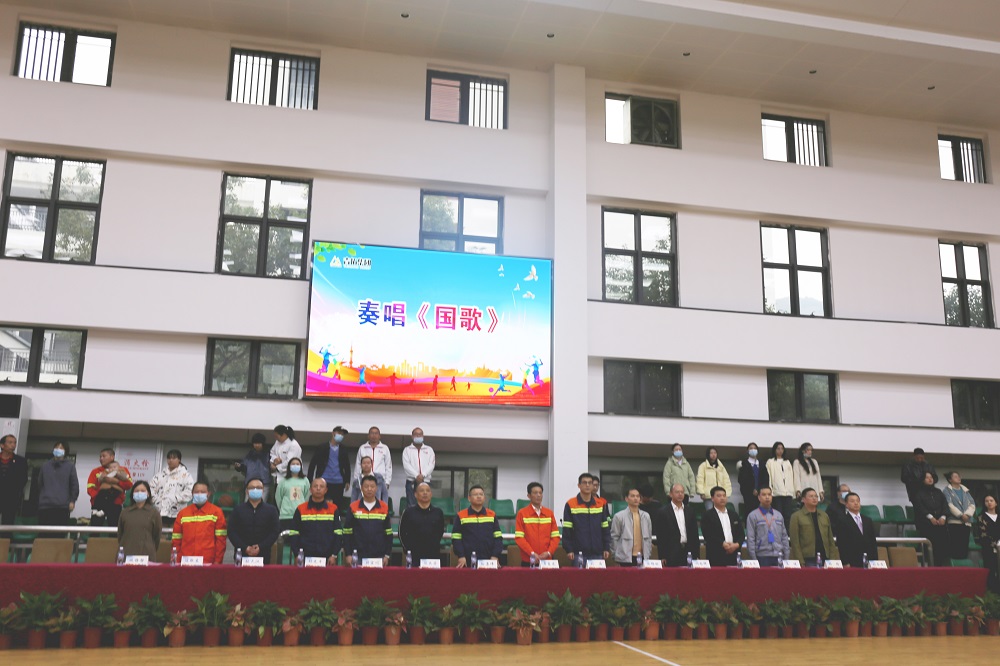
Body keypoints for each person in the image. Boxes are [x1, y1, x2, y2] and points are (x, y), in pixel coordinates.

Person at [289, 478, 342, 566]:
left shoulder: (333, 509)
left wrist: (334, 555)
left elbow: (338, 533)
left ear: (326, 490)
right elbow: (294, 533)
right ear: (310, 489)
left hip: (327, 557)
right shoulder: (301, 509)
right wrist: (296, 554)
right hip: (305, 557)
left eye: (321, 486)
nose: (318, 488)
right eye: (315, 486)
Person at [171, 481, 227, 564]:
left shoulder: (217, 512)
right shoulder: (183, 514)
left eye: (203, 492)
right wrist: (177, 560)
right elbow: (176, 540)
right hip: (186, 561)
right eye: (196, 492)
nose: (199, 494)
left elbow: (221, 541)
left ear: (208, 494)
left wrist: (217, 562)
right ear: (192, 494)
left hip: (208, 561)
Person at [229, 478, 280, 564]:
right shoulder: (238, 510)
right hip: (242, 555)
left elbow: (275, 531)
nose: (255, 490)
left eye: (258, 488)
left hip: (264, 555)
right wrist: (245, 548)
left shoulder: (271, 510)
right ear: (247, 491)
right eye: (252, 488)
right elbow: (231, 531)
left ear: (263, 490)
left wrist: (261, 547)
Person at [562, 473, 611, 564]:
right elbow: (567, 529)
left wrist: (606, 547)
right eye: (584, 483)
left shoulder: (600, 504)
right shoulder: (571, 504)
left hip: (598, 553)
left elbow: (605, 528)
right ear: (579, 485)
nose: (587, 485)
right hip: (578, 553)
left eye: (590, 483)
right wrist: (569, 549)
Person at [344, 475, 393, 566]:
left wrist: (387, 555)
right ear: (361, 488)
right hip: (357, 556)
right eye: (366, 486)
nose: (369, 489)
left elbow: (388, 533)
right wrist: (348, 554)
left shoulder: (384, 507)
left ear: (376, 488)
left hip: (379, 556)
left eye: (372, 486)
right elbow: (347, 533)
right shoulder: (353, 507)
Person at [452, 485, 503, 567]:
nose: (479, 496)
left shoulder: (492, 515)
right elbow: (456, 538)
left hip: (489, 560)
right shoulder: (461, 515)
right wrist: (461, 556)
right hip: (467, 560)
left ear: (484, 498)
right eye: (475, 494)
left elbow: (498, 538)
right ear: (469, 498)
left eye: (481, 494)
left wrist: (495, 555)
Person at [399, 481, 446, 565]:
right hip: (414, 555)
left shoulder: (438, 512)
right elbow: (401, 533)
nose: (425, 493)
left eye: (428, 491)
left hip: (433, 555)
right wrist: (407, 549)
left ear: (431, 494)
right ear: (415, 494)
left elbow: (440, 531)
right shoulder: (408, 512)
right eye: (422, 491)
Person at [37, 441, 79, 534]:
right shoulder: (45, 465)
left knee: (59, 536)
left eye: (61, 448)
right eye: (56, 447)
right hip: (45, 506)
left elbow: (74, 485)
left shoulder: (70, 466)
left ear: (65, 451)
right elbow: (40, 484)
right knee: (43, 535)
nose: (58, 450)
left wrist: (72, 501)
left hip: (62, 506)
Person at [513, 482, 560, 566]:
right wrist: (531, 553)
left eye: (540, 493)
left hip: (547, 560)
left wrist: (549, 552)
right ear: (529, 496)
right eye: (535, 493)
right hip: (528, 560)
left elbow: (555, 536)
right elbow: (519, 538)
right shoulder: (522, 513)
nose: (538, 495)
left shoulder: (549, 513)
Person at [788, 488, 839, 566]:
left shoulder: (824, 515)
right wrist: (800, 561)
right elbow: (795, 542)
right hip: (807, 558)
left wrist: (832, 559)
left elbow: (830, 539)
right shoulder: (796, 516)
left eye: (816, 496)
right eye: (811, 496)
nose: (814, 498)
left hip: (825, 557)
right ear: (803, 499)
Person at [654, 483, 699, 567]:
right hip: (671, 552)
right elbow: (661, 536)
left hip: (688, 551)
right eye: (677, 492)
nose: (680, 494)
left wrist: (696, 554)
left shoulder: (690, 511)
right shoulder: (663, 512)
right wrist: (662, 556)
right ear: (671, 494)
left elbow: (694, 534)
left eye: (682, 492)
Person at [86, 448, 133, 527]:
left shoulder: (122, 470)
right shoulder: (95, 471)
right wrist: (102, 496)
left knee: (114, 528)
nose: (101, 458)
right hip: (99, 504)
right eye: (100, 457)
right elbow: (90, 488)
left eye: (104, 456)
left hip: (115, 504)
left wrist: (116, 482)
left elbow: (129, 485)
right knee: (95, 528)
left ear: (112, 457)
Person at [307, 426, 351, 508]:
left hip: (338, 481)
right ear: (333, 433)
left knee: (337, 505)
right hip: (324, 480)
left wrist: (347, 480)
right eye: (339, 433)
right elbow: (313, 464)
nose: (340, 436)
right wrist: (309, 480)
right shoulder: (322, 447)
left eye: (342, 434)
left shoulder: (343, 449)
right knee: (322, 504)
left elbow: (347, 466)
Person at [700, 487, 745, 567]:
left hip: (734, 554)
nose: (722, 498)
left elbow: (741, 534)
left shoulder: (734, 515)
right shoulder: (707, 515)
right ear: (712, 498)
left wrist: (736, 545)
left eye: (724, 496)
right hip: (716, 555)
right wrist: (723, 544)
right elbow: (708, 535)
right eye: (719, 496)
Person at [149, 449, 194, 528]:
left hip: (177, 512)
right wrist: (156, 500)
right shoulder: (160, 475)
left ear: (179, 460)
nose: (171, 460)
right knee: (160, 533)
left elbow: (190, 491)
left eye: (173, 458)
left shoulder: (186, 475)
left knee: (176, 533)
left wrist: (174, 499)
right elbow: (150, 488)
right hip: (160, 512)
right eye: (169, 458)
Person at [745, 487, 789, 566]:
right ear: (759, 497)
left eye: (769, 494)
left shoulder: (778, 515)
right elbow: (750, 538)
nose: (767, 497)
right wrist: (754, 559)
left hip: (779, 555)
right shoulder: (753, 516)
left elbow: (784, 537)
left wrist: (786, 556)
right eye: (764, 495)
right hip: (762, 556)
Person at [117, 480, 161, 559]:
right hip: (126, 554)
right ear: (132, 494)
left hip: (147, 555)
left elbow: (157, 536)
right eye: (136, 491)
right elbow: (120, 534)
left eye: (143, 491)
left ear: (148, 494)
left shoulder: (154, 513)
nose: (139, 493)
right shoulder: (125, 512)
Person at [610, 487, 652, 566]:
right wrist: (615, 555)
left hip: (643, 556)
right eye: (632, 496)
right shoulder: (619, 516)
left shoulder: (646, 516)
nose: (635, 498)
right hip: (625, 557)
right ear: (626, 499)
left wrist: (648, 553)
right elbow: (614, 537)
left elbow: (649, 537)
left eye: (638, 496)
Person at [835, 492, 878, 568]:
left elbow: (873, 542)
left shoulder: (867, 520)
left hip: (869, 560)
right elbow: (841, 543)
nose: (856, 503)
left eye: (857, 501)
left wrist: (875, 561)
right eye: (852, 501)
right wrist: (845, 562)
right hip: (852, 560)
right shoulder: (842, 520)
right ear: (846, 504)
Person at [943, 471, 976, 561]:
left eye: (959, 476)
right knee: (955, 545)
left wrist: (967, 514)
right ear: (950, 479)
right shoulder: (947, 490)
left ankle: (964, 564)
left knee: (964, 545)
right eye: (955, 476)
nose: (958, 478)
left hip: (966, 522)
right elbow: (949, 504)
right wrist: (961, 515)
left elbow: (972, 504)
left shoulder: (965, 490)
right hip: (954, 522)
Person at [402, 428, 435, 508]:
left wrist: (423, 475)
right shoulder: (407, 450)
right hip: (411, 481)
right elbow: (406, 465)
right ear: (412, 436)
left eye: (420, 434)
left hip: (426, 481)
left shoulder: (429, 450)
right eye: (416, 434)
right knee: (411, 505)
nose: (418, 436)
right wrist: (416, 475)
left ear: (423, 436)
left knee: (425, 504)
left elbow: (431, 464)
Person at [276, 457, 310, 532]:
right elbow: (278, 497)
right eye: (293, 464)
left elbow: (307, 496)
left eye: (297, 464)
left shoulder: (305, 480)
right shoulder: (283, 481)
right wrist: (283, 508)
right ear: (289, 466)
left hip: (301, 514)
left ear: (301, 466)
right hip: (285, 515)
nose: (295, 465)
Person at [974, 495, 1000, 593]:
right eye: (986, 501)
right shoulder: (981, 517)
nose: (989, 502)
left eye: (991, 500)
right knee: (991, 571)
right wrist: (995, 544)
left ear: (996, 503)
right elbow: (983, 535)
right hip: (989, 549)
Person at [234, 434, 272, 501]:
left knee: (262, 504)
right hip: (250, 483)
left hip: (264, 484)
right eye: (255, 443)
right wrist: (239, 466)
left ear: (263, 444)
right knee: (248, 504)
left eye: (259, 443)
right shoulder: (250, 455)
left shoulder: (268, 454)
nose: (257, 445)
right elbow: (243, 466)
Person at [0, 434, 27, 525]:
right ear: (2, 445)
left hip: (11, 498)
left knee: (8, 524)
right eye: (10, 442)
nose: (13, 445)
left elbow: (23, 479)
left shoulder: (20, 461)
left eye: (15, 443)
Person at [736, 442, 769, 518]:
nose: (753, 450)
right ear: (747, 451)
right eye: (751, 448)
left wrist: (759, 490)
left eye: (755, 448)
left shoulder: (762, 464)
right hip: (748, 494)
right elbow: (742, 480)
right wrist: (752, 490)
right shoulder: (744, 464)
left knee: (761, 514)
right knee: (750, 514)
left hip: (761, 494)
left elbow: (765, 479)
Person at [766, 442, 795, 525]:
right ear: (774, 450)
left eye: (782, 448)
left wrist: (792, 490)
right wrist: (770, 490)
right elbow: (769, 476)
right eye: (778, 448)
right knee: (778, 514)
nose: (780, 450)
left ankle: (787, 531)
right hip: (777, 492)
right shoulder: (770, 462)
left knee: (787, 515)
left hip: (788, 492)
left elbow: (791, 476)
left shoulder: (787, 462)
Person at [270, 425, 301, 491]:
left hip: (290, 478)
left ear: (283, 435)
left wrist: (276, 467)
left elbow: (290, 462)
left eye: (277, 436)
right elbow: (272, 453)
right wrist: (275, 460)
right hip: (278, 478)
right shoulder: (277, 442)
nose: (276, 438)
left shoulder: (293, 445)